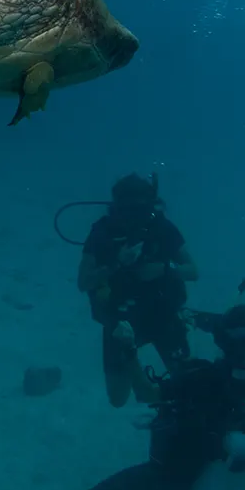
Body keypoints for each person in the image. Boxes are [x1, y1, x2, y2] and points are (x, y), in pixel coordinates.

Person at [75, 304, 245, 490]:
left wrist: (130, 349)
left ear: (221, 339)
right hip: (185, 477)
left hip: (169, 476)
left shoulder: (200, 376)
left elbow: (146, 393)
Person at [77, 172, 200, 406]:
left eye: (140, 211)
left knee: (187, 383)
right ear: (116, 207)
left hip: (163, 314)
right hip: (120, 319)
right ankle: (144, 384)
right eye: (127, 210)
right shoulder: (102, 232)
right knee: (118, 398)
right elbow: (83, 282)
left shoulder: (161, 227)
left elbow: (193, 270)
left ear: (150, 207)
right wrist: (116, 264)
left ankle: (153, 392)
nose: (133, 218)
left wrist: (165, 268)